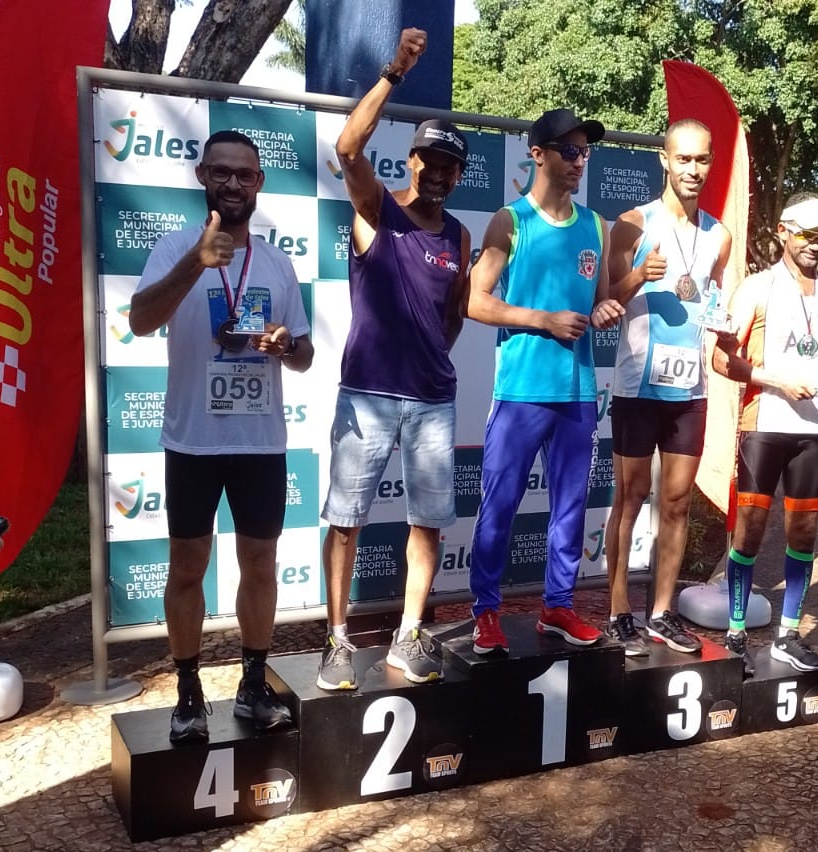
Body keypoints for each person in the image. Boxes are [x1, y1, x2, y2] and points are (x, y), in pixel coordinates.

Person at [129, 130, 314, 744]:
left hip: (261, 442)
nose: (233, 184)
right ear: (204, 177)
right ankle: (187, 694)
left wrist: (287, 345)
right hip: (193, 442)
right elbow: (140, 318)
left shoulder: (279, 262)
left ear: (259, 183)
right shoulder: (174, 247)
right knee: (188, 567)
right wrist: (195, 263)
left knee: (259, 564)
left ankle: (253, 684)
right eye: (222, 173)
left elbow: (305, 354)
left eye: (245, 174)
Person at [316, 28, 470, 690]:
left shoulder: (460, 234)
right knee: (345, 521)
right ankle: (337, 639)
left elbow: (456, 312)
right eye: (427, 161)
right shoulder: (378, 211)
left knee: (427, 523)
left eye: (448, 167)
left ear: (458, 175)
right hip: (369, 394)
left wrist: (431, 356)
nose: (436, 174)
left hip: (432, 401)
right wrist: (394, 72)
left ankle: (409, 635)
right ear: (409, 163)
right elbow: (347, 146)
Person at [466, 107, 625, 655]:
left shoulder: (595, 225)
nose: (580, 161)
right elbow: (473, 300)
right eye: (569, 150)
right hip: (520, 392)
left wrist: (605, 309)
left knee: (570, 509)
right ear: (538, 154)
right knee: (500, 505)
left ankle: (557, 606)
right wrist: (542, 320)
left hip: (579, 391)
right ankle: (485, 611)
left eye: (585, 151)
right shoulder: (510, 221)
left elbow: (602, 296)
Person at [604, 119, 732, 656]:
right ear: (664, 159)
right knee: (630, 498)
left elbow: (718, 303)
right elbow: (604, 298)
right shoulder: (633, 224)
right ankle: (617, 611)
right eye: (684, 159)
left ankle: (661, 612)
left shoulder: (719, 236)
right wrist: (639, 275)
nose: (694, 170)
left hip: (690, 391)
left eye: (702, 160)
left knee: (676, 502)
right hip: (638, 385)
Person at [712, 192, 818, 675]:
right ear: (783, 232)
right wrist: (776, 379)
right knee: (750, 532)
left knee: (805, 532)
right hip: (764, 425)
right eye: (808, 234)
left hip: (812, 429)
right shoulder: (756, 288)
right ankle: (734, 635)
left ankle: (788, 635)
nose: (816, 244)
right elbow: (721, 359)